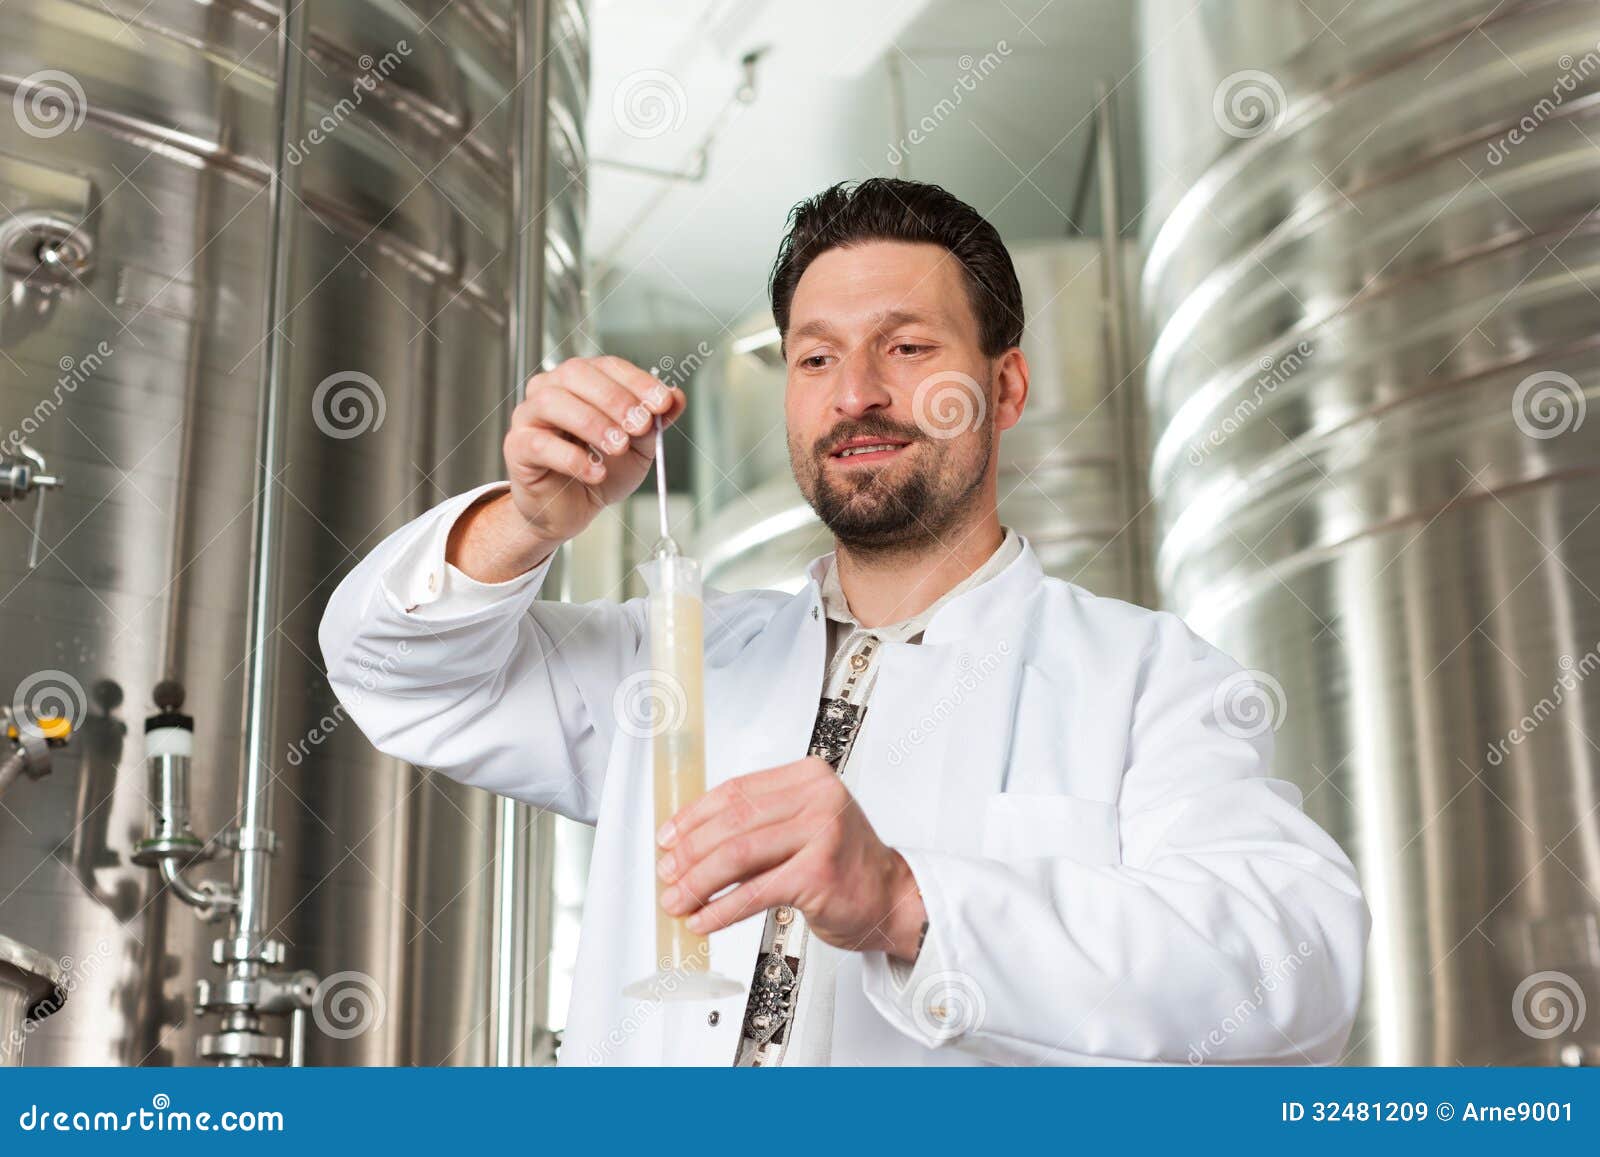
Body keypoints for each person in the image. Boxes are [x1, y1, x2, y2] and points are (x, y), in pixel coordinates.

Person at [320, 177, 1369, 1066]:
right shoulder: (675, 664)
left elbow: (1297, 960)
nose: (855, 394)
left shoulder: (1141, 677)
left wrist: (909, 900)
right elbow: (398, 675)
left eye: (906, 347)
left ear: (1003, 387)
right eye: (815, 359)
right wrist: (526, 520)